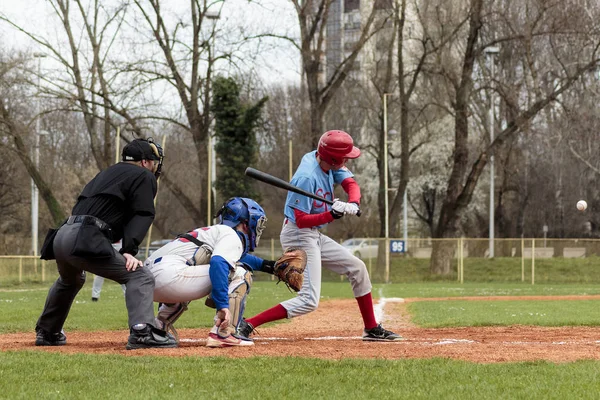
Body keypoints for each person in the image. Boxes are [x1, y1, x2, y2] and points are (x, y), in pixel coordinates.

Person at [236, 130, 402, 342]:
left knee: (357, 268)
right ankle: (248, 324)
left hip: (312, 234)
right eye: (344, 157)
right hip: (298, 233)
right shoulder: (306, 178)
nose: (346, 160)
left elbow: (351, 184)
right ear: (332, 158)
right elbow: (301, 219)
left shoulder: (325, 159)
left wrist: (353, 203)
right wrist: (332, 214)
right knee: (309, 300)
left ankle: (371, 328)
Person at [35, 137, 177, 350]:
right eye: (154, 162)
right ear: (145, 162)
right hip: (85, 234)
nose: (155, 167)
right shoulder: (143, 175)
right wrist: (129, 250)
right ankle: (142, 331)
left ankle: (48, 331)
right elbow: (143, 213)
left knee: (70, 280)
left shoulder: (106, 174)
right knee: (139, 275)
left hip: (63, 234)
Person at [144, 197, 275, 348]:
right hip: (170, 277)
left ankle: (157, 328)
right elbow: (219, 263)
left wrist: (269, 266)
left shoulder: (215, 232)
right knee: (240, 273)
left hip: (146, 282)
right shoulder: (232, 235)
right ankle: (224, 332)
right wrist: (222, 306)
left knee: (195, 268)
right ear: (247, 222)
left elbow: (240, 258)